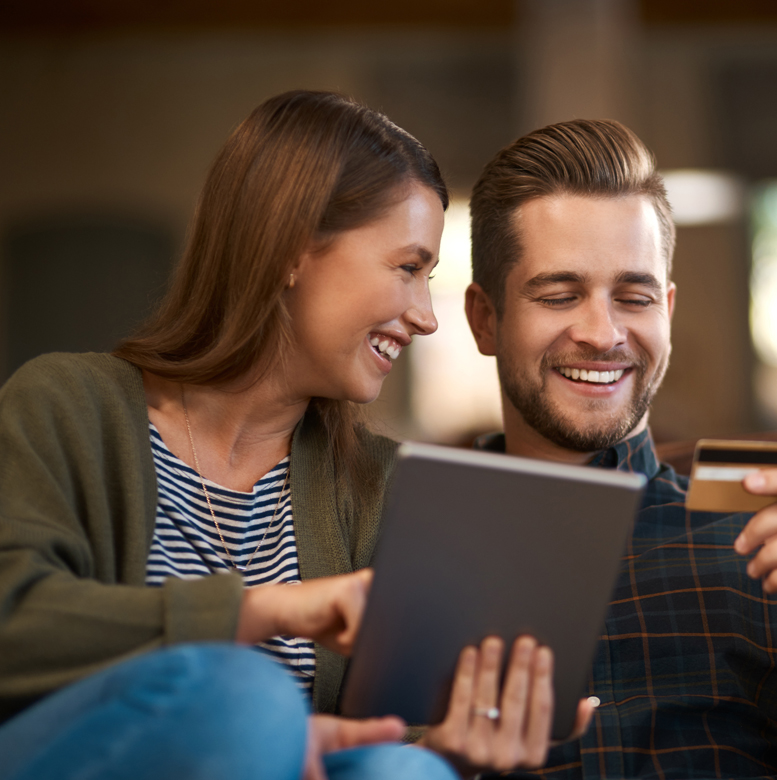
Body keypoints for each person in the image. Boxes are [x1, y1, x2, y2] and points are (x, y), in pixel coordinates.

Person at [0, 90, 587, 780]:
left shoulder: (381, 483)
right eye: (407, 268)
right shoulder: (68, 405)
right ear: (291, 249)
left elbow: (384, 736)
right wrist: (269, 611)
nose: (427, 316)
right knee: (248, 698)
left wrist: (449, 749)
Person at [463, 120, 777, 779]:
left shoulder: (768, 525)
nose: (603, 333)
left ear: (666, 309)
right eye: (559, 295)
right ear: (485, 318)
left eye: (634, 297)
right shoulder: (399, 537)